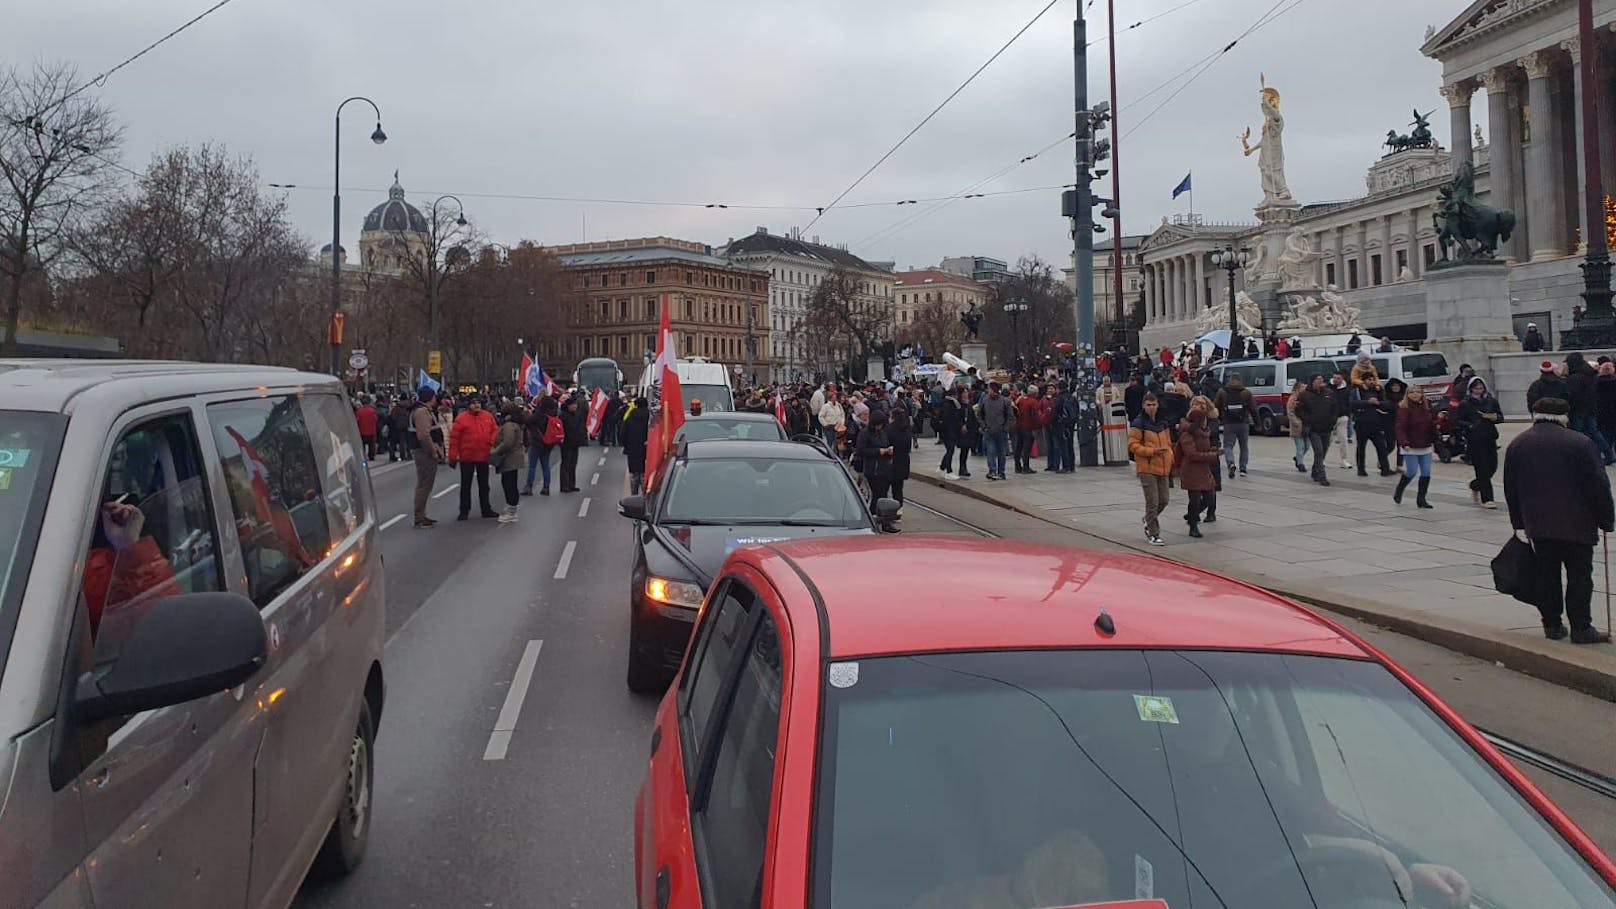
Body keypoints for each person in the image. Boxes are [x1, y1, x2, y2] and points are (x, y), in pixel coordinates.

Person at [1505, 396, 1614, 643]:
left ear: (1536, 414)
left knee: (1547, 575)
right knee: (1580, 576)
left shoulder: (1519, 444)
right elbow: (1599, 484)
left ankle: (1552, 625)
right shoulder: (1581, 443)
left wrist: (1518, 523)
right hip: (1578, 523)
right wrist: (1607, 519)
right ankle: (1581, 628)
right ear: (1565, 416)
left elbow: (1510, 488)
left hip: (1539, 525)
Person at [1128, 393, 1174, 546]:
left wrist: (1170, 457)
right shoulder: (1138, 423)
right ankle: (1153, 532)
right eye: (1148, 405)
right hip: (1146, 467)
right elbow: (1132, 445)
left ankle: (1148, 518)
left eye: (1154, 404)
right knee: (1152, 501)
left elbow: (1168, 442)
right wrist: (1150, 451)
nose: (1152, 408)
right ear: (1143, 406)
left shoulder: (1162, 423)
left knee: (1164, 500)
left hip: (1163, 466)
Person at [449, 396, 499, 520]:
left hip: (483, 455)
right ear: (468, 405)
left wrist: (490, 443)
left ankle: (486, 508)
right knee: (466, 486)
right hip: (467, 457)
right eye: (473, 403)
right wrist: (452, 457)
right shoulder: (461, 419)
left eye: (478, 403)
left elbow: (495, 430)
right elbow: (454, 439)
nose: (476, 405)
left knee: (484, 485)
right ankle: (464, 510)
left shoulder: (488, 416)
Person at [1456, 376, 1502, 508]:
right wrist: (1470, 426)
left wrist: (1494, 417)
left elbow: (1500, 416)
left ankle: (1475, 485)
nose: (1478, 391)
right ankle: (1487, 499)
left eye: (1481, 388)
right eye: (1476, 388)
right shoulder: (1465, 403)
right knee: (1481, 469)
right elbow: (1459, 421)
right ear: (1471, 389)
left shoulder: (1491, 401)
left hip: (1490, 437)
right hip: (1474, 439)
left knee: (1492, 467)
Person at [1564, 351, 1615, 464]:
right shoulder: (1591, 374)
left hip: (1577, 410)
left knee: (1578, 434)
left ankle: (1582, 457)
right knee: (1594, 432)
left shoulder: (1574, 378)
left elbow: (1571, 395)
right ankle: (1608, 453)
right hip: (1591, 408)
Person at [856, 411, 901, 533]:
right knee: (879, 495)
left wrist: (888, 451)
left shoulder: (882, 433)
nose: (880, 427)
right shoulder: (865, 433)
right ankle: (882, 522)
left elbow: (885, 444)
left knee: (880, 495)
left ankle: (873, 520)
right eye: (879, 424)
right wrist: (878, 451)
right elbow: (861, 450)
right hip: (872, 470)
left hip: (884, 468)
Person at [1393, 384, 1437, 509]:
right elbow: (1400, 427)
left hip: (1425, 444)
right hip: (1410, 445)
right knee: (1411, 471)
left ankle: (1421, 499)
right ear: (1408, 394)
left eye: (1418, 392)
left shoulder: (1427, 407)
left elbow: (1431, 424)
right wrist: (1404, 442)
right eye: (1412, 392)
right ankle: (1399, 489)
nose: (1415, 394)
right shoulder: (1404, 408)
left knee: (1426, 472)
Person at [1295, 374, 1339, 486]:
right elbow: (1299, 410)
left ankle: (1315, 471)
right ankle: (1321, 476)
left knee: (1323, 452)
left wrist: (1333, 420)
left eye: (1321, 379)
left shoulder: (1328, 393)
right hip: (1314, 429)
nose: (1321, 381)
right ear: (1312, 382)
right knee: (1318, 452)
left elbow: (1335, 408)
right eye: (1318, 379)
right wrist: (1308, 420)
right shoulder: (1305, 395)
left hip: (1327, 427)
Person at [410, 390, 444, 528]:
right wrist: (433, 451)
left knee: (425, 484)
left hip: (423, 451)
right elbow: (424, 435)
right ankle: (419, 515)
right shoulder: (422, 412)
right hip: (424, 453)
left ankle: (421, 514)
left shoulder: (422, 411)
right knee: (425, 484)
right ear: (430, 398)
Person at [490, 401, 528, 523]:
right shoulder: (517, 424)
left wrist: (496, 450)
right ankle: (511, 508)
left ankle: (511, 511)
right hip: (515, 456)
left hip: (509, 457)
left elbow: (508, 442)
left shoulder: (509, 425)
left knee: (509, 483)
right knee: (511, 482)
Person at [1351, 376, 1393, 477]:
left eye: (1373, 379)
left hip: (1376, 423)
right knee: (1361, 447)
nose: (1372, 382)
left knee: (1381, 447)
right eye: (1369, 379)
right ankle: (1361, 469)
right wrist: (1367, 402)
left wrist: (1378, 403)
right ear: (1363, 380)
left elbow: (1387, 403)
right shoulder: (1357, 391)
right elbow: (1352, 403)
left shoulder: (1378, 390)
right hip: (1361, 422)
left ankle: (1385, 469)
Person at [1214, 373, 1254, 478]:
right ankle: (1243, 469)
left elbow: (1215, 406)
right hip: (1243, 423)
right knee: (1244, 446)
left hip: (1228, 423)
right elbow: (1253, 408)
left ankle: (1231, 463)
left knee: (1228, 445)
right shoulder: (1246, 392)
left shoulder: (1222, 392)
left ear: (1230, 380)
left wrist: (1218, 419)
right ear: (1240, 380)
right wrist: (1258, 423)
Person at [523, 396, 558, 496]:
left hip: (536, 443)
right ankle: (546, 487)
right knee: (546, 466)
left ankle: (529, 486)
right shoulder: (553, 415)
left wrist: (533, 431)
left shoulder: (538, 414)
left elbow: (528, 422)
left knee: (532, 466)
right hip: (548, 444)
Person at [979, 381, 1015, 481]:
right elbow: (980, 415)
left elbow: (1011, 417)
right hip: (989, 431)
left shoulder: (1005, 401)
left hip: (1001, 432)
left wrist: (1005, 428)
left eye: (989, 388)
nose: (987, 390)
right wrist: (984, 426)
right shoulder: (985, 401)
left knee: (1001, 453)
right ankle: (992, 471)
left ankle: (1001, 472)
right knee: (990, 452)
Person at [887, 397, 913, 515]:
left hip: (891, 462)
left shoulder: (889, 430)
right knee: (898, 488)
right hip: (903, 462)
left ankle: (888, 510)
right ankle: (899, 509)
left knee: (886, 488)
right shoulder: (907, 431)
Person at [620, 396, 650, 494]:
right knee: (644, 472)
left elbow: (623, 433)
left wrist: (626, 445)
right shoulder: (650, 418)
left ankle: (634, 494)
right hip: (647, 449)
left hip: (632, 449)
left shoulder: (630, 417)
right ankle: (645, 494)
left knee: (634, 473)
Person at [559, 393, 586, 492]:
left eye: (576, 404)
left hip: (575, 443)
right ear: (568, 406)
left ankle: (571, 483)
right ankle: (564, 485)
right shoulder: (563, 416)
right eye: (573, 405)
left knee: (573, 464)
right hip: (566, 443)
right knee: (566, 464)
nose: (575, 406)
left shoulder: (576, 415)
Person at [1013, 383, 1041, 474]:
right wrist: (1038, 425)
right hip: (1029, 427)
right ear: (1035, 393)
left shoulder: (1020, 400)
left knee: (1019, 447)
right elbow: (1035, 415)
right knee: (1027, 448)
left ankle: (1017, 466)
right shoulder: (1033, 402)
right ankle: (1026, 467)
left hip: (1019, 426)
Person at [1328, 371, 1353, 469]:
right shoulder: (1328, 388)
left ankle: (1343, 460)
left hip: (1342, 417)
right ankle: (1321, 459)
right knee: (1327, 440)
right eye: (1334, 377)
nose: (1335, 380)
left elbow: (1349, 402)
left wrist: (1347, 413)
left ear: (1342, 379)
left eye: (1338, 378)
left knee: (1343, 439)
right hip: (1329, 418)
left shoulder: (1347, 390)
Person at [819, 387, 846, 452]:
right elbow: (821, 416)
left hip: (838, 426)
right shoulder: (826, 406)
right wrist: (825, 424)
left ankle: (836, 454)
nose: (835, 398)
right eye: (833, 397)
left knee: (837, 442)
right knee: (830, 441)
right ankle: (829, 452)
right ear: (830, 398)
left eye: (835, 397)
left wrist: (842, 422)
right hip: (829, 426)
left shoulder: (838, 405)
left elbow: (842, 414)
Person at [354, 395, 379, 461]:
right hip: (371, 430)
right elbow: (376, 419)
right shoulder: (373, 411)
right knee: (371, 444)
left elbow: (357, 421)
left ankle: (363, 455)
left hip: (362, 430)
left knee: (362, 444)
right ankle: (371, 456)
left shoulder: (359, 411)